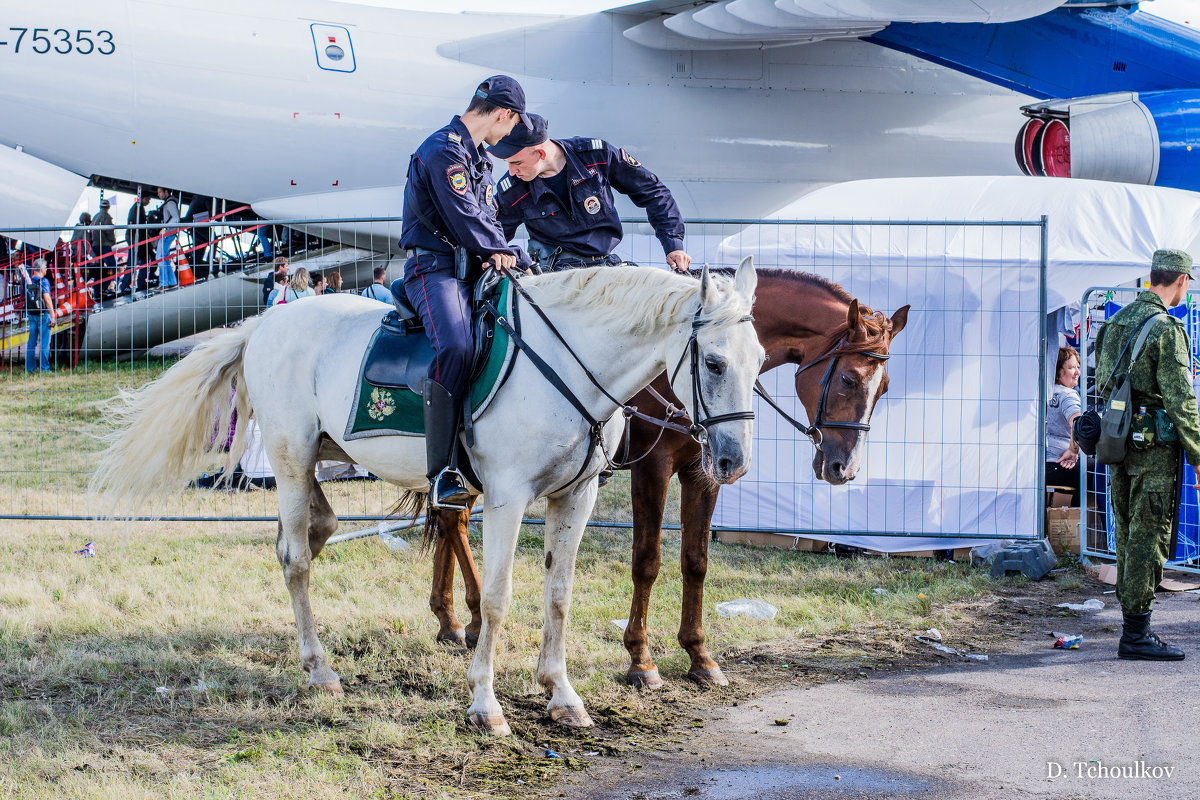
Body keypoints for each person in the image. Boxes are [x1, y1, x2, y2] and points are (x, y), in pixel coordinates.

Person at [397, 75, 532, 508]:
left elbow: (486, 218)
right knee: (455, 346)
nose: (509, 134)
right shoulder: (444, 150)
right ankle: (441, 473)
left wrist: (513, 253)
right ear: (502, 114)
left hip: (468, 270)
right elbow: (463, 217)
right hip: (433, 270)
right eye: (511, 125)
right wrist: (497, 248)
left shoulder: (477, 159)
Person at [1095, 249, 1200, 661]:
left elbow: (1103, 383)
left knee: (1125, 532)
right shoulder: (1166, 329)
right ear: (1181, 280)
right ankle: (1136, 634)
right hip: (1153, 450)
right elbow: (1181, 402)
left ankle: (1132, 623)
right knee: (1147, 536)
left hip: (1118, 442)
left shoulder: (1115, 321)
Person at [491, 113, 691, 273]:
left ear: (541, 153)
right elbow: (494, 234)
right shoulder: (512, 189)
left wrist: (674, 245)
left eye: (516, 162)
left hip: (606, 270)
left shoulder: (597, 156)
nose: (511, 171)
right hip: (553, 279)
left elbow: (653, 192)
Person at [1046, 346, 1082, 505]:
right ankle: (1081, 526)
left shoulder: (1041, 392)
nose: (1077, 372)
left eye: (1078, 367)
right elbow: (1078, 422)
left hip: (1039, 466)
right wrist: (1073, 450)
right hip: (1061, 464)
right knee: (1099, 474)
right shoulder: (1068, 395)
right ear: (1058, 371)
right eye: (1071, 367)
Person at [25, 258, 56, 373]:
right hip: (43, 314)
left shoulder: (29, 281)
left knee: (31, 343)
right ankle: (44, 368)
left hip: (32, 314)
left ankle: (31, 368)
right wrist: (52, 315)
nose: (46, 269)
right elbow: (47, 299)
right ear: (42, 268)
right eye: (46, 267)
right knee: (44, 343)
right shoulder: (44, 281)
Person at [124, 192, 151, 294]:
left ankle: (136, 283)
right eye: (147, 199)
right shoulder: (138, 208)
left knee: (137, 261)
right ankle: (131, 284)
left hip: (135, 238)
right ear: (143, 198)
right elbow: (138, 225)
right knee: (134, 262)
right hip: (136, 239)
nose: (148, 202)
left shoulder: (136, 207)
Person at [155, 187, 181, 290]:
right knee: (164, 257)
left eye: (160, 192)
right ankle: (171, 281)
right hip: (170, 232)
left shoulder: (170, 203)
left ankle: (164, 283)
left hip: (168, 233)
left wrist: (165, 228)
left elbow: (176, 218)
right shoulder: (170, 202)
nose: (158, 194)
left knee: (160, 257)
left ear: (166, 192)